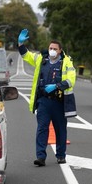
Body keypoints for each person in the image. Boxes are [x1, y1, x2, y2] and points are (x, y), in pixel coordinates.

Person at [17, 29, 76, 167]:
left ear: (60, 51)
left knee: (60, 130)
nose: (52, 50)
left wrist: (56, 86)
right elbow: (26, 56)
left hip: (59, 101)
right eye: (50, 48)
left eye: (55, 49)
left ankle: (61, 155)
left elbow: (71, 81)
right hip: (43, 101)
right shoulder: (41, 60)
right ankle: (41, 157)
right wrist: (20, 43)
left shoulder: (66, 63)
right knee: (42, 129)